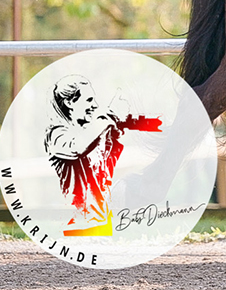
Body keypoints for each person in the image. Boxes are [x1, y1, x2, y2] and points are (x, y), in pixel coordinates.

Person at [45, 75, 161, 235]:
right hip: (75, 225)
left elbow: (149, 125)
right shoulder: (57, 133)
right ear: (70, 102)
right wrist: (113, 116)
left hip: (96, 224)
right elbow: (80, 146)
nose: (95, 105)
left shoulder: (91, 126)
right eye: (89, 100)